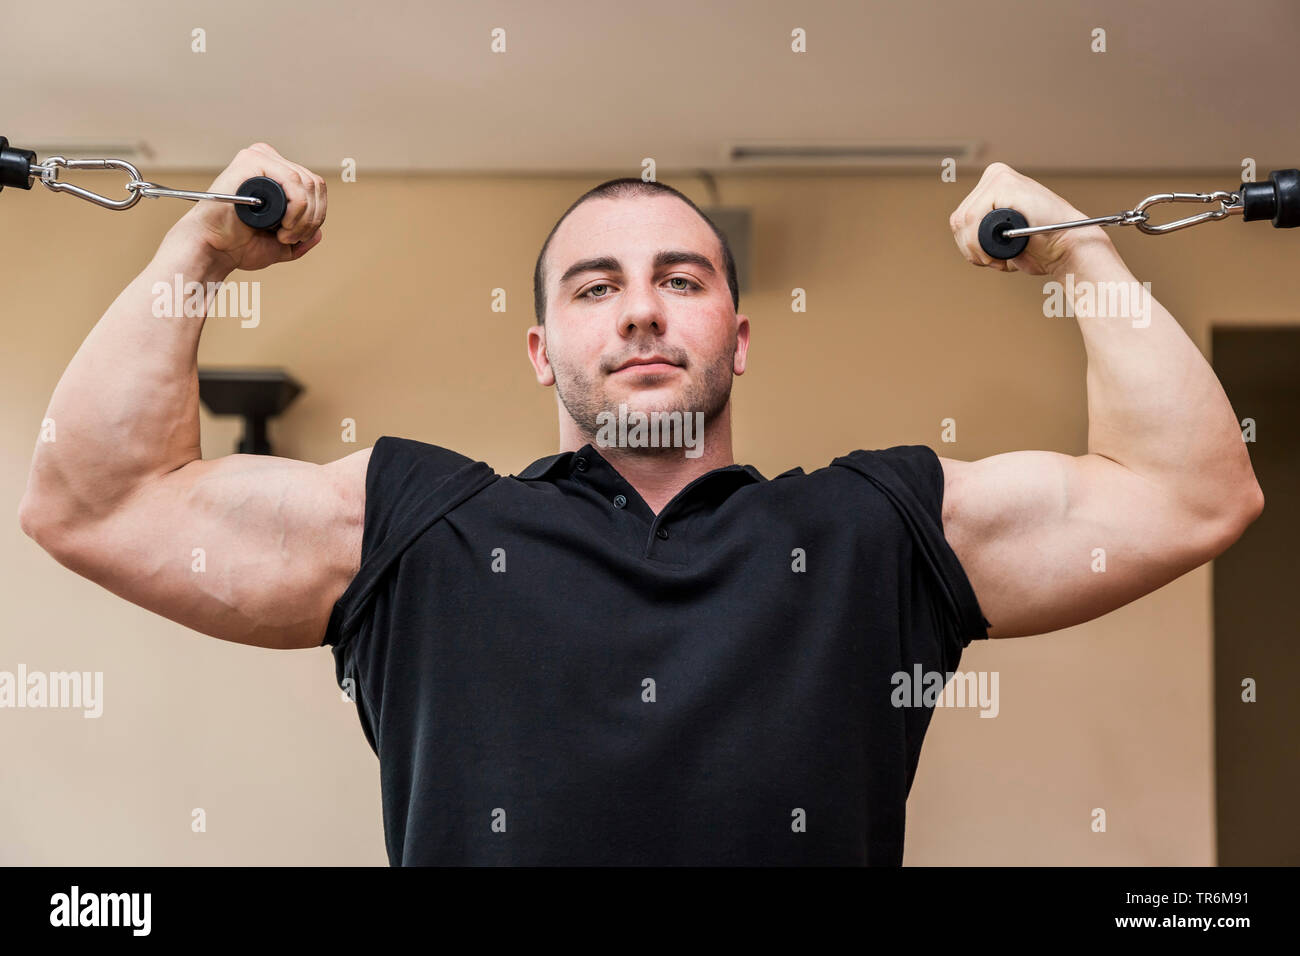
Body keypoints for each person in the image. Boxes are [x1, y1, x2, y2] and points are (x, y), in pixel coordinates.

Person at [18, 143, 1264, 865]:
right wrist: (194, 250)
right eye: (596, 285)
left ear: (739, 333)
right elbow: (97, 500)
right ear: (540, 348)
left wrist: (1083, 252)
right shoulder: (417, 526)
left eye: (682, 277)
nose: (641, 308)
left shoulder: (873, 527)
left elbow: (1186, 492)